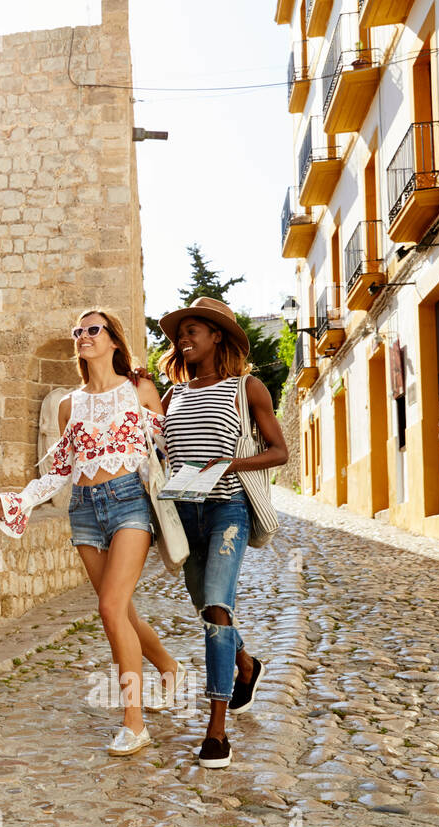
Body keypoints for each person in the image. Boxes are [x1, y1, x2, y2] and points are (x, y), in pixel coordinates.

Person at [0, 309, 184, 756]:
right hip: (86, 511)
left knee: (110, 607)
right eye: (78, 331)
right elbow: (60, 472)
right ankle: (168, 667)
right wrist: (16, 501)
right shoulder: (68, 404)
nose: (83, 336)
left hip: (130, 499)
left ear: (113, 340)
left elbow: (170, 447)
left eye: (93, 330)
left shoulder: (139, 389)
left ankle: (134, 722)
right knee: (121, 612)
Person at [156, 296, 289, 769]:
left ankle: (215, 731)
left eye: (194, 330)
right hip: (185, 515)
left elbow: (279, 452)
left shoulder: (246, 388)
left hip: (227, 510)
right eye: (180, 333)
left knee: (217, 604)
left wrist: (231, 462)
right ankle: (246, 664)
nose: (184, 339)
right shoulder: (170, 395)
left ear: (217, 336)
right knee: (208, 610)